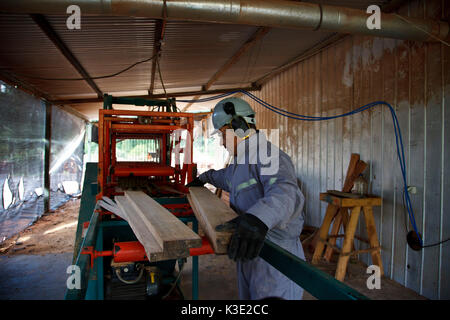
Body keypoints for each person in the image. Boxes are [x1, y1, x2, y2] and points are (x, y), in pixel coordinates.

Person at [186, 97, 305, 300]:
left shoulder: (268, 155)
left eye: (223, 135)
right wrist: (203, 178)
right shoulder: (242, 162)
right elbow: (225, 177)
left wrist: (259, 218)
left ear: (238, 125)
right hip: (249, 248)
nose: (222, 143)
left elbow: (285, 192)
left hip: (276, 258)